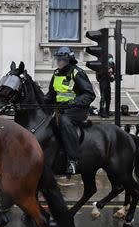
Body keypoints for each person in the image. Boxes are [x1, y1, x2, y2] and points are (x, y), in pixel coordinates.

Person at [44, 46, 95, 175]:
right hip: (60, 109)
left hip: (76, 110)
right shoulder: (56, 74)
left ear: (69, 60)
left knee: (64, 121)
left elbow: (89, 95)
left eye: (62, 60)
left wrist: (71, 102)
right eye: (58, 59)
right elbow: (51, 95)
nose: (59, 62)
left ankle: (73, 160)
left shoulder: (77, 73)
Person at [97, 54, 115, 118]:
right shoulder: (101, 65)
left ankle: (107, 111)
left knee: (108, 98)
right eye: (110, 58)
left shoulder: (112, 64)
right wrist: (106, 71)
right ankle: (101, 112)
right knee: (103, 97)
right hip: (103, 82)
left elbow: (113, 76)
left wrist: (112, 75)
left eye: (111, 58)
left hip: (108, 82)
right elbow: (98, 76)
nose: (111, 59)